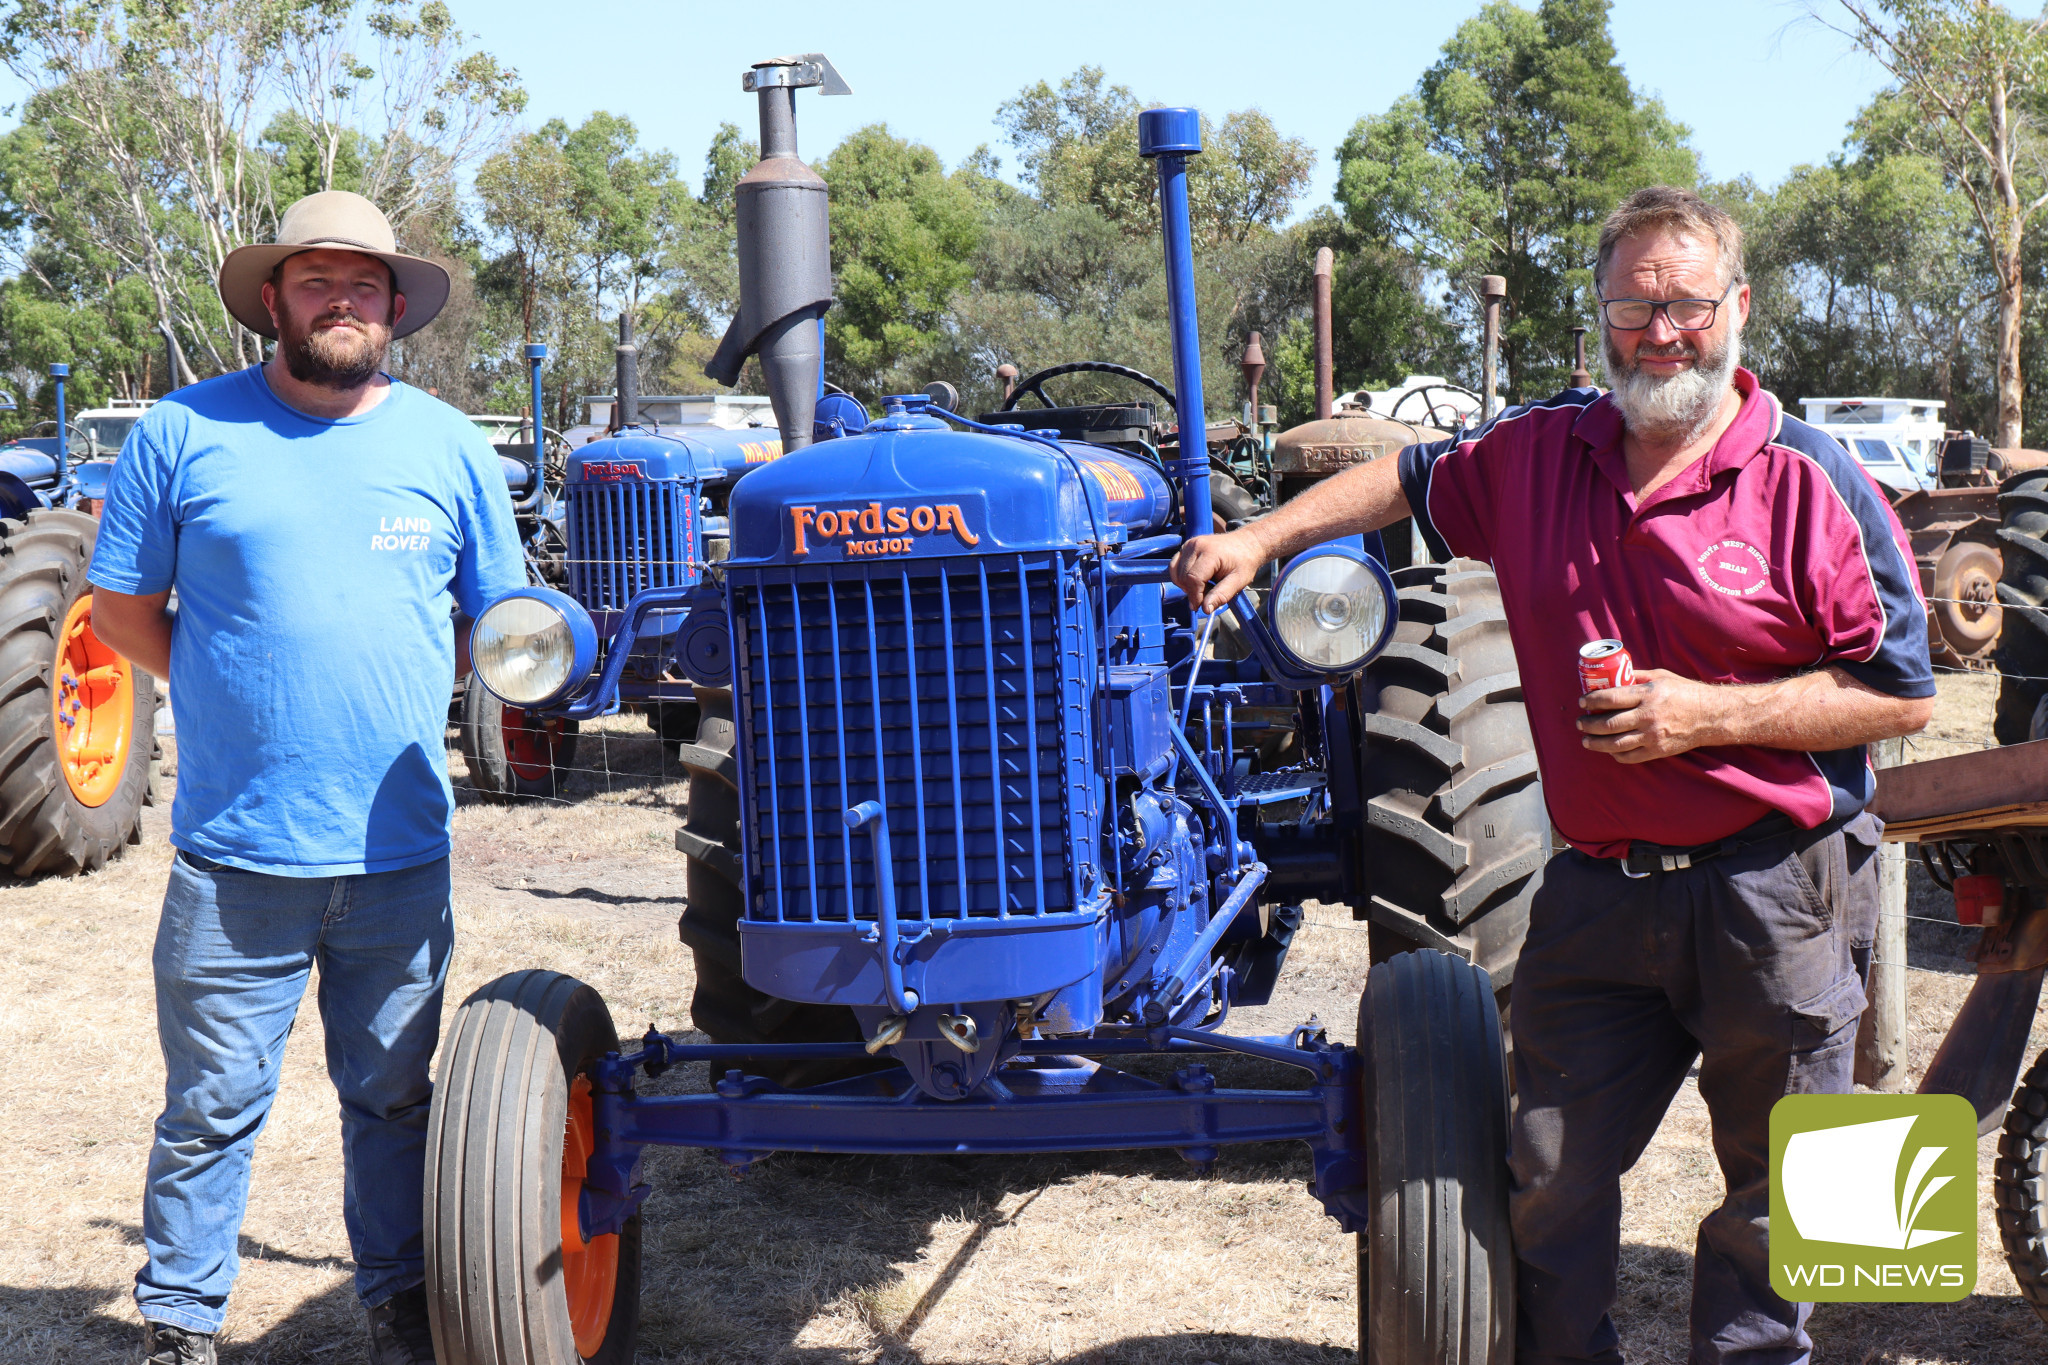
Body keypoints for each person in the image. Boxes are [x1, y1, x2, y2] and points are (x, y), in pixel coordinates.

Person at [1172, 185, 1935, 1364]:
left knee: (1785, 1188)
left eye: (1683, 302)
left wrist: (1700, 717)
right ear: (1600, 317)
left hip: (1775, 887)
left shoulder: (1810, 479)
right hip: (1595, 890)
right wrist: (1258, 538)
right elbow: (1402, 478)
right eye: (1632, 305)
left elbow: (1900, 693)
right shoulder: (1538, 453)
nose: (1660, 330)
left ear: (1734, 307)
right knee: (1544, 1178)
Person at [89, 191, 526, 1365]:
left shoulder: (448, 444)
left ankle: (399, 1300)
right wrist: (231, 681)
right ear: (272, 299)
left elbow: (505, 619)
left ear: (395, 310)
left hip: (397, 855)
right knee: (209, 1112)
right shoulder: (180, 433)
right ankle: (181, 1324)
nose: (344, 300)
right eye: (318, 280)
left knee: (394, 1102)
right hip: (235, 862)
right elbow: (126, 612)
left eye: (365, 284)